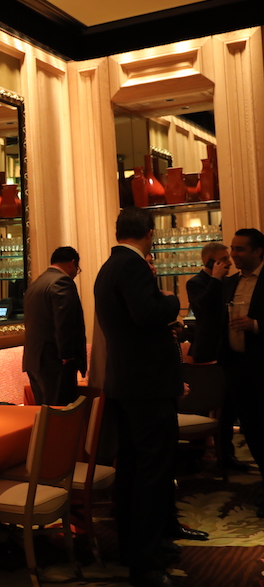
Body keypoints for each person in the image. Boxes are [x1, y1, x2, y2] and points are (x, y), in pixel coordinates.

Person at [94, 207, 186, 587]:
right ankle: (145, 562)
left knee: (133, 469)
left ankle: (136, 548)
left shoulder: (107, 268)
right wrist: (172, 301)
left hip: (128, 383)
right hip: (147, 387)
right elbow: (147, 315)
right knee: (151, 472)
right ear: (149, 232)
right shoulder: (132, 266)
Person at [186, 242, 246, 470]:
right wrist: (215, 279)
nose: (229, 262)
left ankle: (226, 455)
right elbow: (205, 308)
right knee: (202, 404)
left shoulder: (230, 282)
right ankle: (196, 457)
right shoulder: (196, 283)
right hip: (206, 352)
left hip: (227, 351)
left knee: (227, 407)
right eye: (224, 258)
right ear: (211, 261)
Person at [217, 228, 264, 512]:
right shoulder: (230, 282)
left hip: (262, 366)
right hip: (237, 367)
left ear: (258, 251)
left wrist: (255, 325)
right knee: (251, 430)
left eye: (240, 249)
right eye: (232, 248)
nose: (233, 254)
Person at [22, 246, 87, 405]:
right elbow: (64, 322)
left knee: (43, 410)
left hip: (33, 360)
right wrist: (67, 356)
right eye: (77, 269)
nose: (75, 273)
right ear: (72, 263)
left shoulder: (36, 283)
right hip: (54, 362)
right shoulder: (62, 282)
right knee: (59, 411)